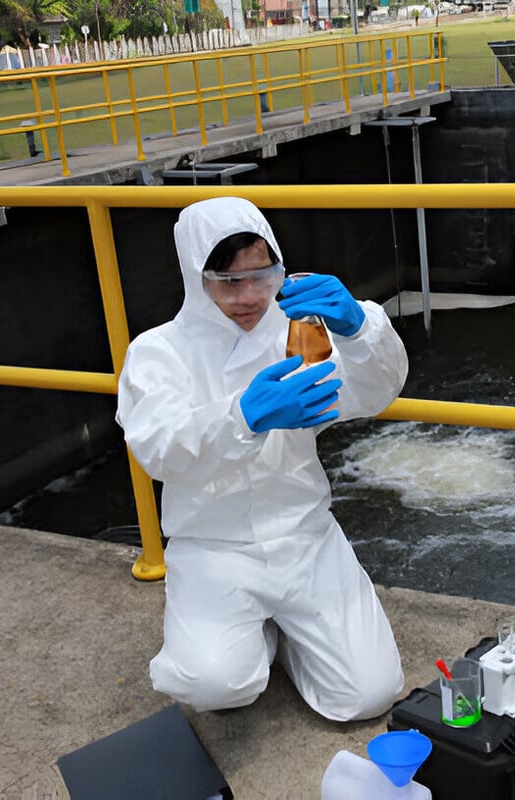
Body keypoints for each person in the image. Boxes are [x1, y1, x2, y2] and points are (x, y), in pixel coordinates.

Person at [116, 196, 409, 721]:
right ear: (194, 274)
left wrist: (360, 330)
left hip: (305, 534)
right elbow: (158, 448)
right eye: (228, 281)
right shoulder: (158, 352)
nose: (249, 296)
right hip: (213, 546)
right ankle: (258, 638)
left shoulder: (297, 331)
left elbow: (373, 392)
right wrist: (241, 417)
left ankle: (289, 639)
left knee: (369, 695)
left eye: (263, 276)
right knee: (214, 687)